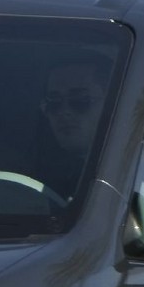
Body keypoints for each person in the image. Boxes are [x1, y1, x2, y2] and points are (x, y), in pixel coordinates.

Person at [34, 56, 109, 194]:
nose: (64, 112)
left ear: (110, 104)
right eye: (54, 102)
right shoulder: (34, 176)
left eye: (80, 100)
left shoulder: (130, 173)